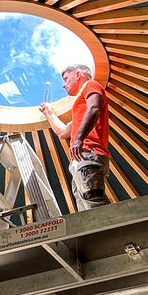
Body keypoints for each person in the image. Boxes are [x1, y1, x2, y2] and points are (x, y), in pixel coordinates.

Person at [39, 63, 109, 211]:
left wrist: (78, 139)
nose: (63, 85)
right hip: (80, 159)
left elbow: (94, 108)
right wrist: (48, 113)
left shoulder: (91, 84)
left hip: (88, 153)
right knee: (85, 209)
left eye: (65, 79)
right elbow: (63, 132)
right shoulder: (79, 111)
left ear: (78, 74)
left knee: (95, 205)